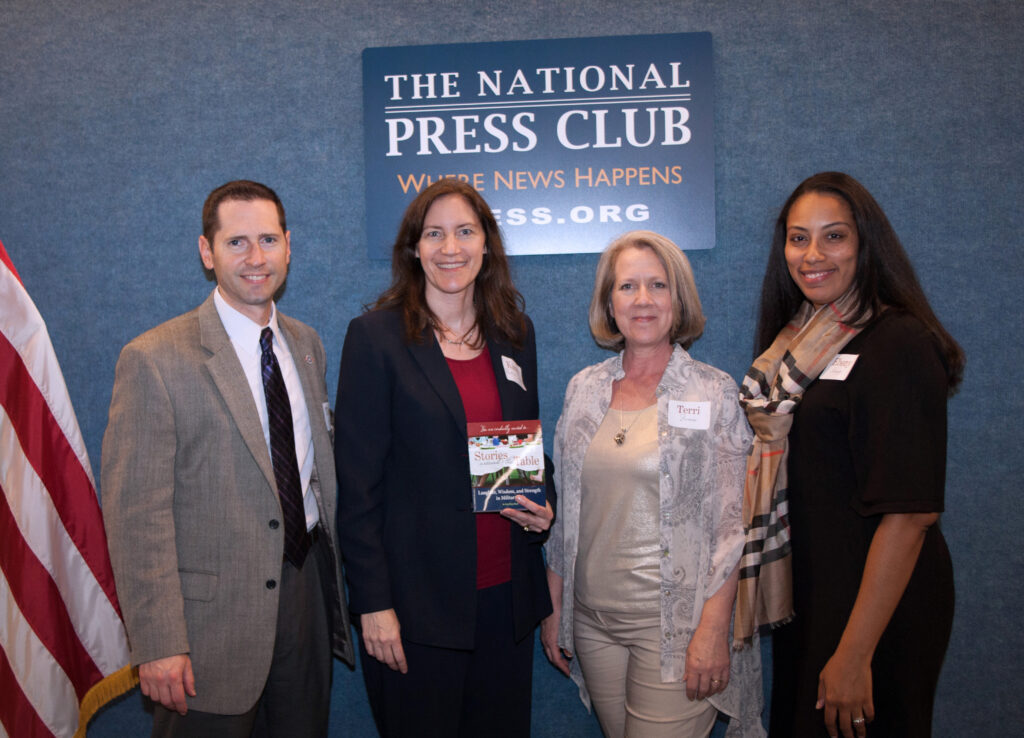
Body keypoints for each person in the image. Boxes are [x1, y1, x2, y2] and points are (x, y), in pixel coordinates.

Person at [101, 180, 354, 737]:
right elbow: (135, 516)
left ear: (289, 245)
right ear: (206, 251)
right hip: (205, 625)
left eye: (268, 239)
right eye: (237, 242)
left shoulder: (306, 345)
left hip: (304, 594)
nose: (256, 258)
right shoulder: (154, 358)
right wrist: (160, 642)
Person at [739, 172, 963, 738]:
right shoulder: (802, 344)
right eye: (798, 238)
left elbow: (911, 514)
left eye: (833, 236)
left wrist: (855, 653)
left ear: (866, 244)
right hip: (815, 593)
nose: (812, 255)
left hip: (875, 609)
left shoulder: (899, 343)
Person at [334, 178, 555, 737]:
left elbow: (520, 445)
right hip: (416, 612)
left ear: (487, 245)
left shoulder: (514, 333)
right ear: (414, 248)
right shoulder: (376, 338)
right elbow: (356, 487)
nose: (450, 247)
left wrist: (541, 503)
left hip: (505, 604)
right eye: (434, 234)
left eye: (464, 231)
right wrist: (373, 604)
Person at [542, 231, 764, 738]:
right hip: (592, 622)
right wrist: (554, 607)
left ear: (678, 299)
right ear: (609, 302)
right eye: (627, 287)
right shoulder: (583, 389)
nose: (642, 300)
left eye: (657, 285)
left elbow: (734, 527)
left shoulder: (713, 391)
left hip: (676, 626)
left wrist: (712, 630)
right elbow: (568, 509)